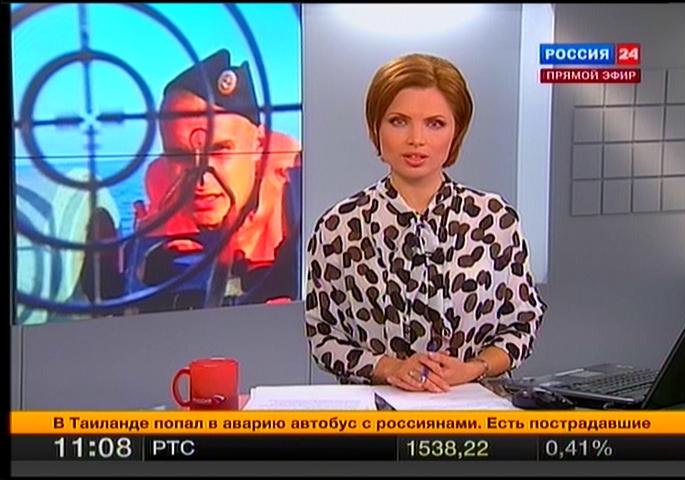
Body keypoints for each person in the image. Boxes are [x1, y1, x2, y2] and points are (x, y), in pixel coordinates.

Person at [305, 53, 547, 393]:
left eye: (435, 124)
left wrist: (471, 369)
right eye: (398, 121)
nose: (416, 139)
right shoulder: (339, 228)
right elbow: (323, 336)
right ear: (375, 128)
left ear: (456, 132)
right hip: (376, 411)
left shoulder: (494, 220)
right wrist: (390, 368)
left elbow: (522, 325)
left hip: (473, 408)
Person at [132, 49, 301, 310]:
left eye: (220, 150)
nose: (201, 179)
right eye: (179, 155)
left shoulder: (300, 196)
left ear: (258, 145)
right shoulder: (162, 196)